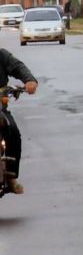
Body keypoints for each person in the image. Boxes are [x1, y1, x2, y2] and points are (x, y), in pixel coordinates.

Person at [0, 49, 39, 194]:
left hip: (0, 111)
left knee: (13, 131)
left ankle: (11, 176)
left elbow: (17, 67)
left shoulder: (1, 55)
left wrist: (29, 80)